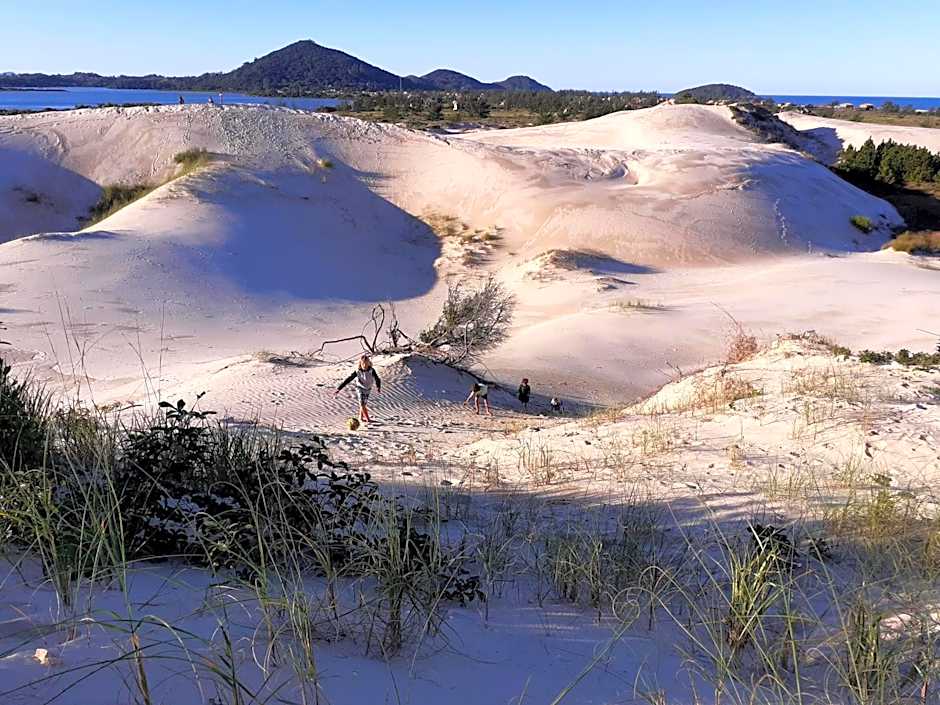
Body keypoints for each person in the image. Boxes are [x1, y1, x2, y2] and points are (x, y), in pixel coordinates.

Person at [335, 355, 381, 423]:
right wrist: (339, 388)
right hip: (360, 388)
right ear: (360, 363)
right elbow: (348, 379)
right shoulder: (357, 371)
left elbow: (377, 378)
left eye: (366, 363)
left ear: (369, 363)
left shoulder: (371, 370)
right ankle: (368, 419)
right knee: (362, 404)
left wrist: (378, 386)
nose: (365, 365)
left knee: (364, 404)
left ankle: (361, 417)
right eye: (363, 363)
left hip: (368, 388)